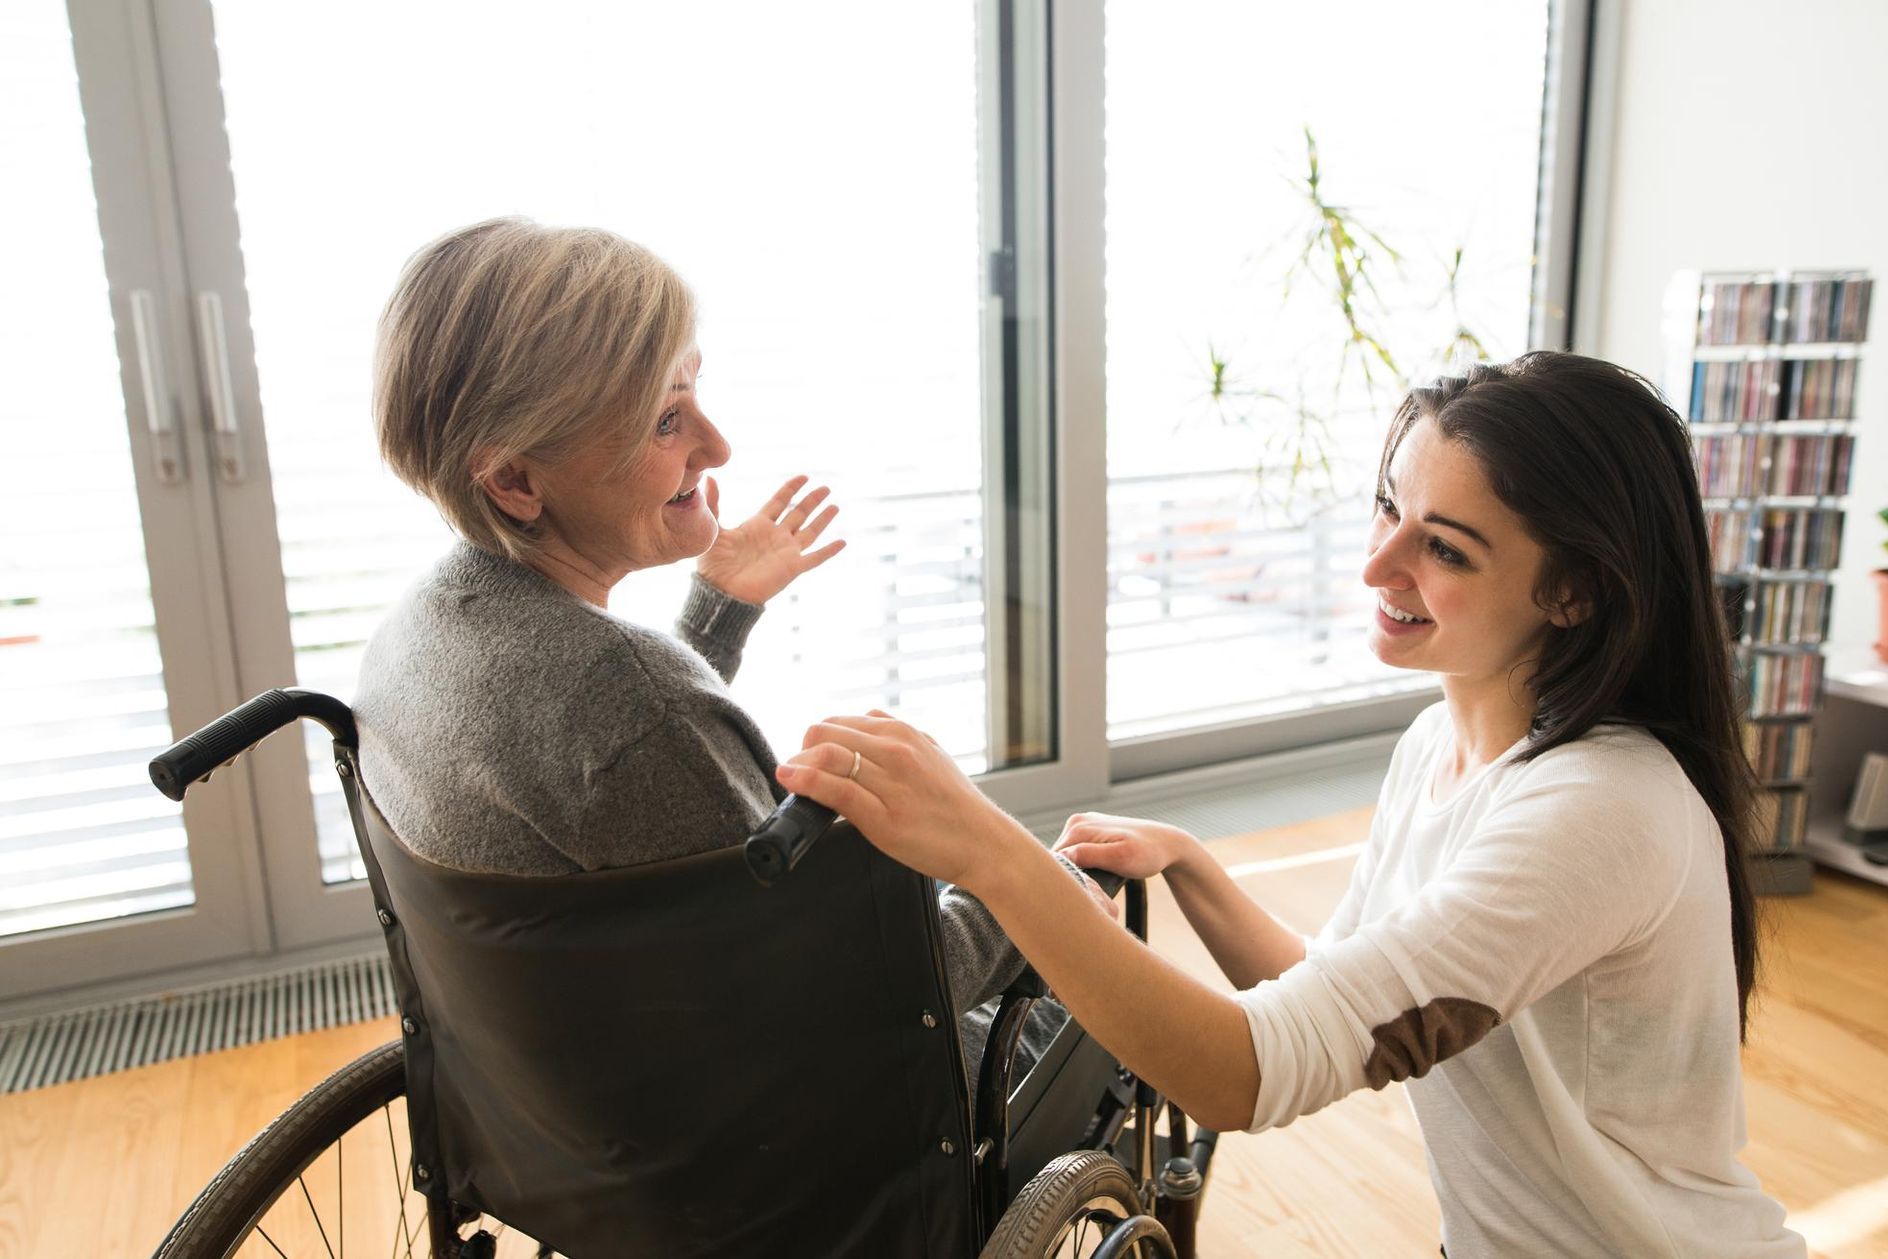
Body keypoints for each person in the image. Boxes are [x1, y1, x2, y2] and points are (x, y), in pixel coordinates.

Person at [781, 352, 1808, 1257]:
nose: (1377, 564)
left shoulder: (1602, 807)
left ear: (1574, 591)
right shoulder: (1438, 745)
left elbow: (1247, 1072)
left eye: (1444, 548)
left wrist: (989, 851)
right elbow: (1340, 997)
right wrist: (1192, 862)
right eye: (1386, 506)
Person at [354, 217, 1098, 1087]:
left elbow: (609, 788)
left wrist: (716, 614)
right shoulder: (629, 705)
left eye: (693, 392)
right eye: (666, 420)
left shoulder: (417, 636)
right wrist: (1030, 882)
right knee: (1098, 964)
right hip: (783, 1125)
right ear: (516, 480)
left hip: (572, 1095)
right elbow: (862, 987)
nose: (716, 447)